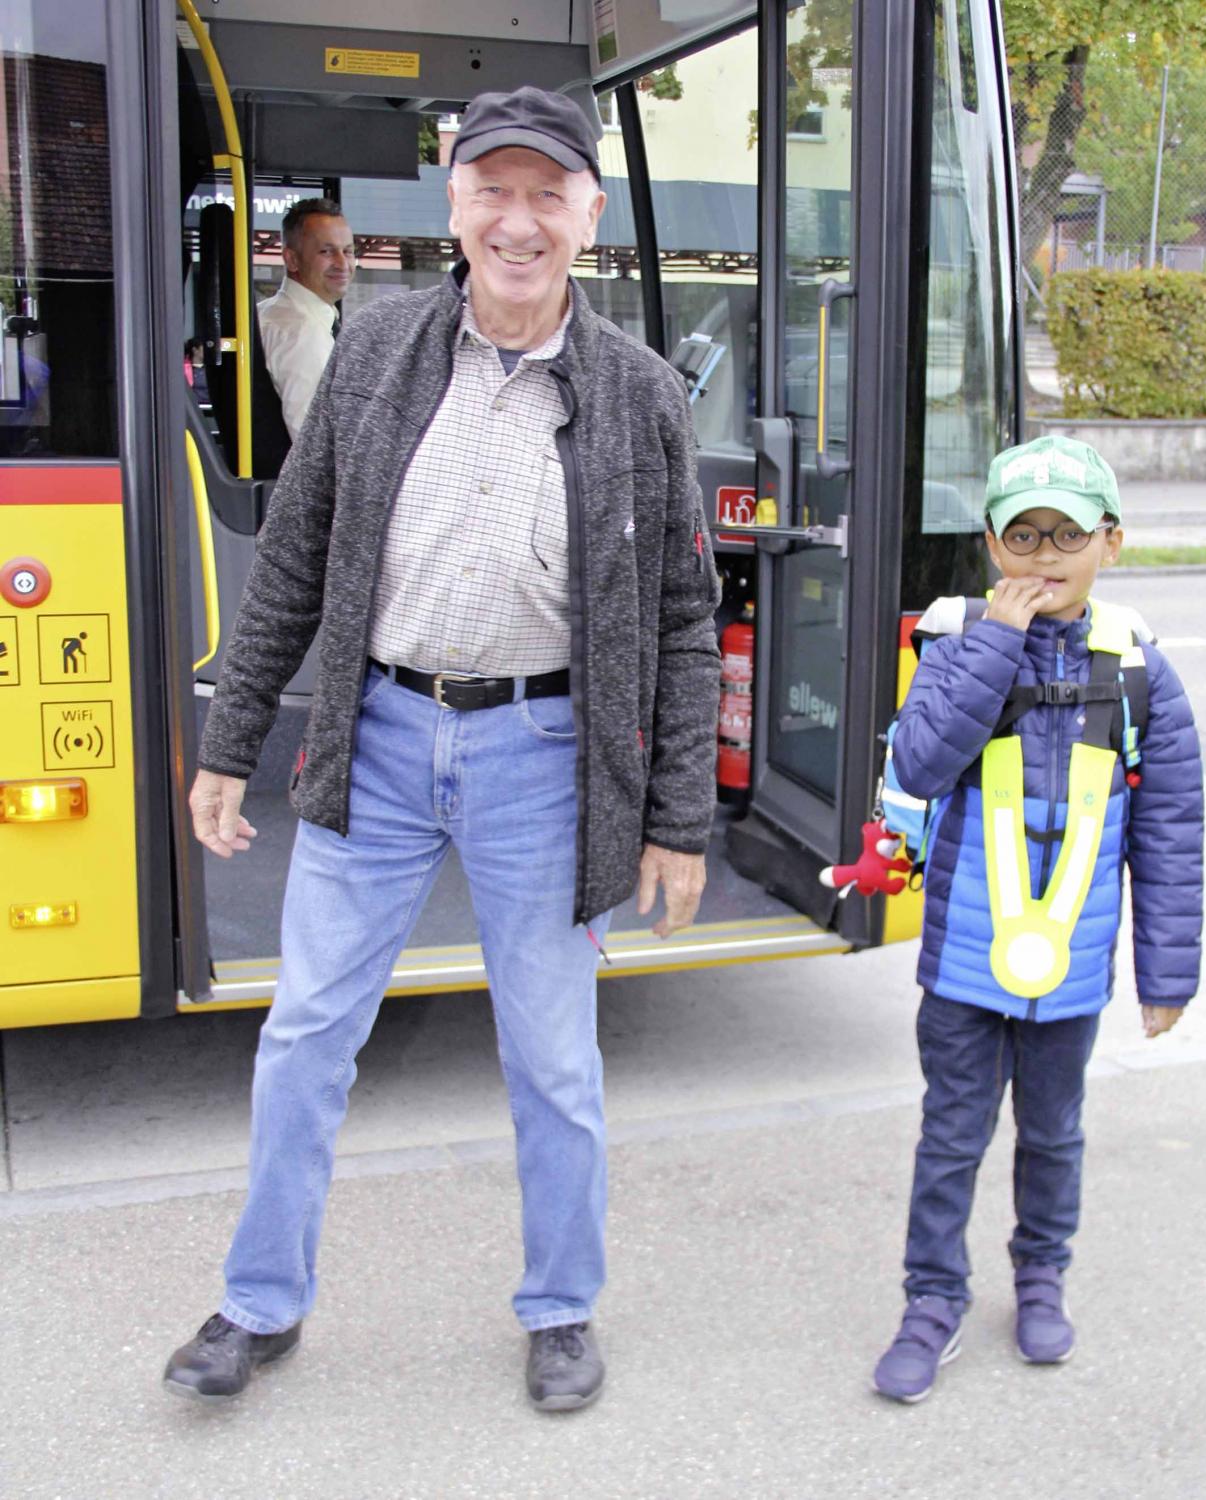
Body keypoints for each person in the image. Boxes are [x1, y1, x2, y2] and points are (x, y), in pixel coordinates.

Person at [163, 86, 720, 1412]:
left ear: (587, 213)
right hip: (382, 737)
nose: (518, 221)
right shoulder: (378, 354)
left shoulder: (637, 394)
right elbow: (296, 555)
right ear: (456, 204)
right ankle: (260, 1301)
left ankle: (561, 1306)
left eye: (548, 194)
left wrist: (677, 818)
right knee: (305, 1036)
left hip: (545, 752)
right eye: (493, 191)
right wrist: (230, 738)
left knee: (553, 1059)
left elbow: (686, 617)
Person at [871, 434, 1204, 1404]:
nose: (1044, 556)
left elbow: (1172, 832)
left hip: (1068, 972)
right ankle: (929, 1302)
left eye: (1066, 534)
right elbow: (918, 765)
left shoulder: (1139, 674)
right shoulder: (954, 647)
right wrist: (996, 645)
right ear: (988, 547)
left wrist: (1165, 977)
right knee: (950, 1137)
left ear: (1111, 543)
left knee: (1053, 1135)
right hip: (962, 970)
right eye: (1022, 536)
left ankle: (1038, 1277)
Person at [257, 197, 355, 439]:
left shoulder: (266, 313)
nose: (343, 264)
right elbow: (315, 443)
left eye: (348, 251)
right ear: (291, 259)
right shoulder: (303, 332)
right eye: (327, 252)